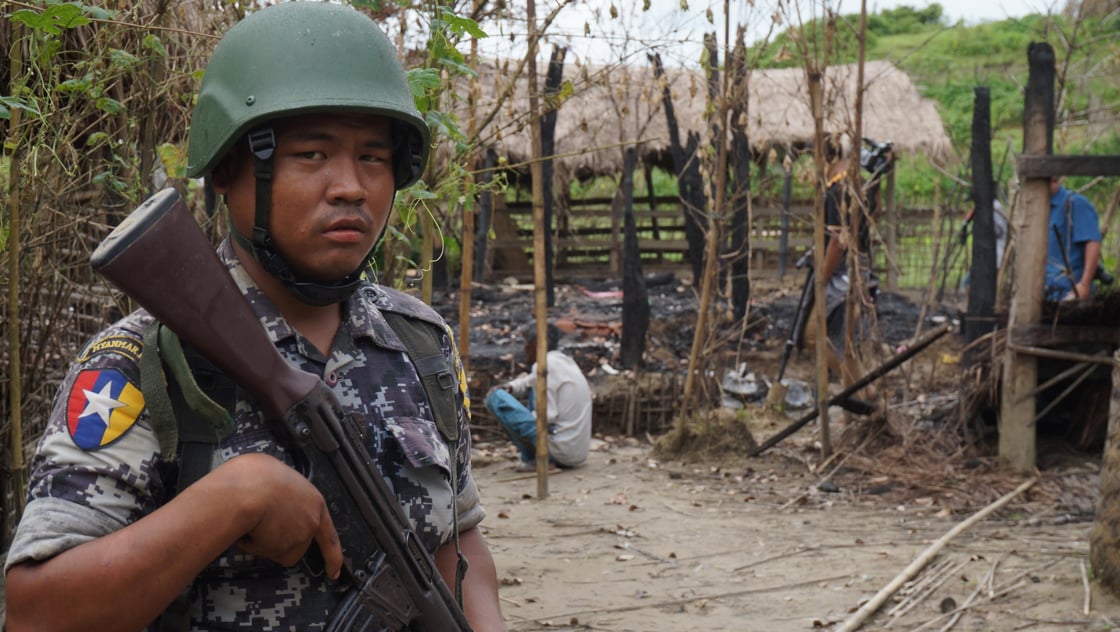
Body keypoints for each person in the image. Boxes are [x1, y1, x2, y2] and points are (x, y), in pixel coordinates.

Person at [4, 4, 505, 630]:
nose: (350, 185)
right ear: (227, 170)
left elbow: (457, 547)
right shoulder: (147, 365)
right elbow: (35, 612)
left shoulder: (420, 343)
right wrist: (234, 497)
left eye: (373, 158)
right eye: (313, 154)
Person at [803, 140, 893, 397]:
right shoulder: (857, 185)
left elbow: (838, 242)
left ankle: (864, 391)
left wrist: (821, 277)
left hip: (843, 275)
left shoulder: (837, 191)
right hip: (860, 270)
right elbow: (877, 211)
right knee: (844, 342)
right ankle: (864, 390)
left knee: (818, 336)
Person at [485, 323, 592, 472]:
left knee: (495, 399)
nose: (524, 349)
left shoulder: (544, 365)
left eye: (526, 344)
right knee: (531, 390)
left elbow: (548, 416)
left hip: (560, 452)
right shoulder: (564, 362)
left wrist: (522, 417)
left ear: (535, 345)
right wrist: (512, 386)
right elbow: (531, 380)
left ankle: (535, 459)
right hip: (576, 452)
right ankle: (537, 456)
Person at [1045, 176, 1102, 302]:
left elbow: (1092, 242)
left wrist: (1084, 285)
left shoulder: (1075, 203)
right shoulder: (1040, 209)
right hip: (1045, 295)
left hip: (1069, 295)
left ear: (1054, 178)